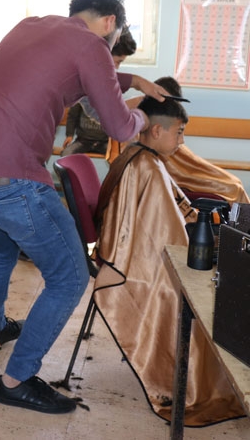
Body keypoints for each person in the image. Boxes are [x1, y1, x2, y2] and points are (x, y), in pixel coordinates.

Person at [0, 0, 170, 414]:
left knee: (0, 250)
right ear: (110, 24)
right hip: (14, 186)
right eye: (116, 35)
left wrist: (129, 80)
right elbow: (121, 127)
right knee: (69, 279)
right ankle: (16, 380)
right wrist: (143, 112)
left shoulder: (33, 26)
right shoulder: (92, 45)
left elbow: (71, 83)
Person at [93, 95, 244, 425]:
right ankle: (198, 387)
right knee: (207, 290)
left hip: (144, 253)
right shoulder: (144, 167)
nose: (182, 140)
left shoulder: (141, 157)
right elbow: (163, 237)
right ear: (157, 131)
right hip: (143, 267)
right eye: (180, 132)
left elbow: (169, 217)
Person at [151, 77, 250, 203]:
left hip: (186, 172)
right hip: (178, 176)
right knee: (234, 188)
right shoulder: (152, 124)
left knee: (235, 184)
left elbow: (191, 162)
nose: (181, 141)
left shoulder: (171, 121)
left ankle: (241, 220)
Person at [61, 28, 137, 156]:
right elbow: (103, 111)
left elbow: (98, 111)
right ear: (104, 53)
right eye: (118, 61)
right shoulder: (73, 70)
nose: (116, 68)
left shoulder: (87, 76)